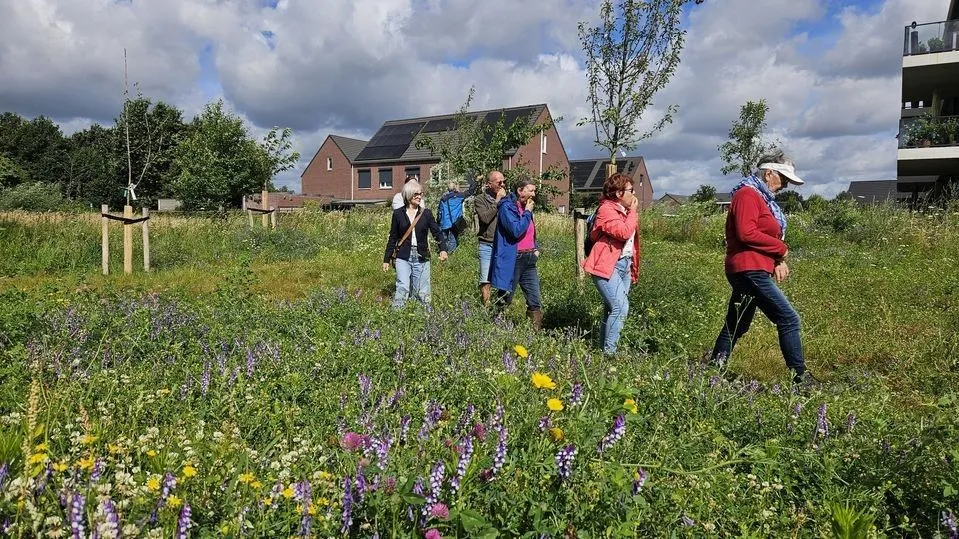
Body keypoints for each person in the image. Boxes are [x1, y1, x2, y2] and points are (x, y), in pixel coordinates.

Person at [709, 151, 818, 385]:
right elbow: (746, 233)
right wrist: (781, 249)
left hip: (752, 268)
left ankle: (712, 372)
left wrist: (777, 259)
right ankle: (801, 379)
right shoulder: (747, 195)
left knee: (736, 324)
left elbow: (762, 234)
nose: (785, 185)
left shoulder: (762, 198)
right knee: (789, 319)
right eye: (783, 178)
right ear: (769, 173)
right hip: (749, 269)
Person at [581, 173, 640, 355]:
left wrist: (632, 266)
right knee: (621, 308)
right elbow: (623, 232)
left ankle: (602, 353)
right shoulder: (606, 210)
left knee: (611, 310)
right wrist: (633, 212)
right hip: (606, 266)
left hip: (624, 265)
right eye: (630, 190)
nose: (634, 194)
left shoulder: (624, 211)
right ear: (618, 193)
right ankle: (609, 355)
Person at [383, 180, 448, 308]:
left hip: (421, 255)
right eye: (416, 194)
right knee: (402, 286)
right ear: (408, 195)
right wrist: (386, 259)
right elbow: (393, 237)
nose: (419, 196)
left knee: (423, 290)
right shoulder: (398, 214)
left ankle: (424, 316)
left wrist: (443, 249)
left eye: (420, 193)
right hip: (403, 256)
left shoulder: (426, 213)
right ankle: (398, 315)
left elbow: (437, 232)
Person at [490, 175, 543, 331]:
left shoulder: (527, 207)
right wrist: (527, 212)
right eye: (531, 190)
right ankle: (494, 328)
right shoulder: (507, 207)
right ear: (520, 190)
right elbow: (516, 230)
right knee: (505, 297)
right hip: (513, 259)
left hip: (529, 258)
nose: (533, 194)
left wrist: (535, 248)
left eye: (534, 191)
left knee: (534, 300)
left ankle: (535, 335)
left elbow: (530, 231)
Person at [474, 171, 507, 304]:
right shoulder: (480, 200)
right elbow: (485, 218)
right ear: (489, 184)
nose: (503, 185)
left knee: (503, 278)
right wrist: (498, 201)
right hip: (487, 244)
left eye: (504, 182)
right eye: (499, 182)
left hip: (503, 244)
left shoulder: (507, 199)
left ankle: (500, 307)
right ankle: (486, 308)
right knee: (486, 279)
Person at [436, 181, 467, 253]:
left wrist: (438, 221)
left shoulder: (443, 198)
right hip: (455, 222)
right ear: (455, 188)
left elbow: (440, 211)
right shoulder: (459, 197)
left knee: (444, 239)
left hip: (444, 221)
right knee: (453, 239)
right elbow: (469, 192)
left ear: (448, 188)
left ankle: (444, 252)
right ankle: (450, 254)